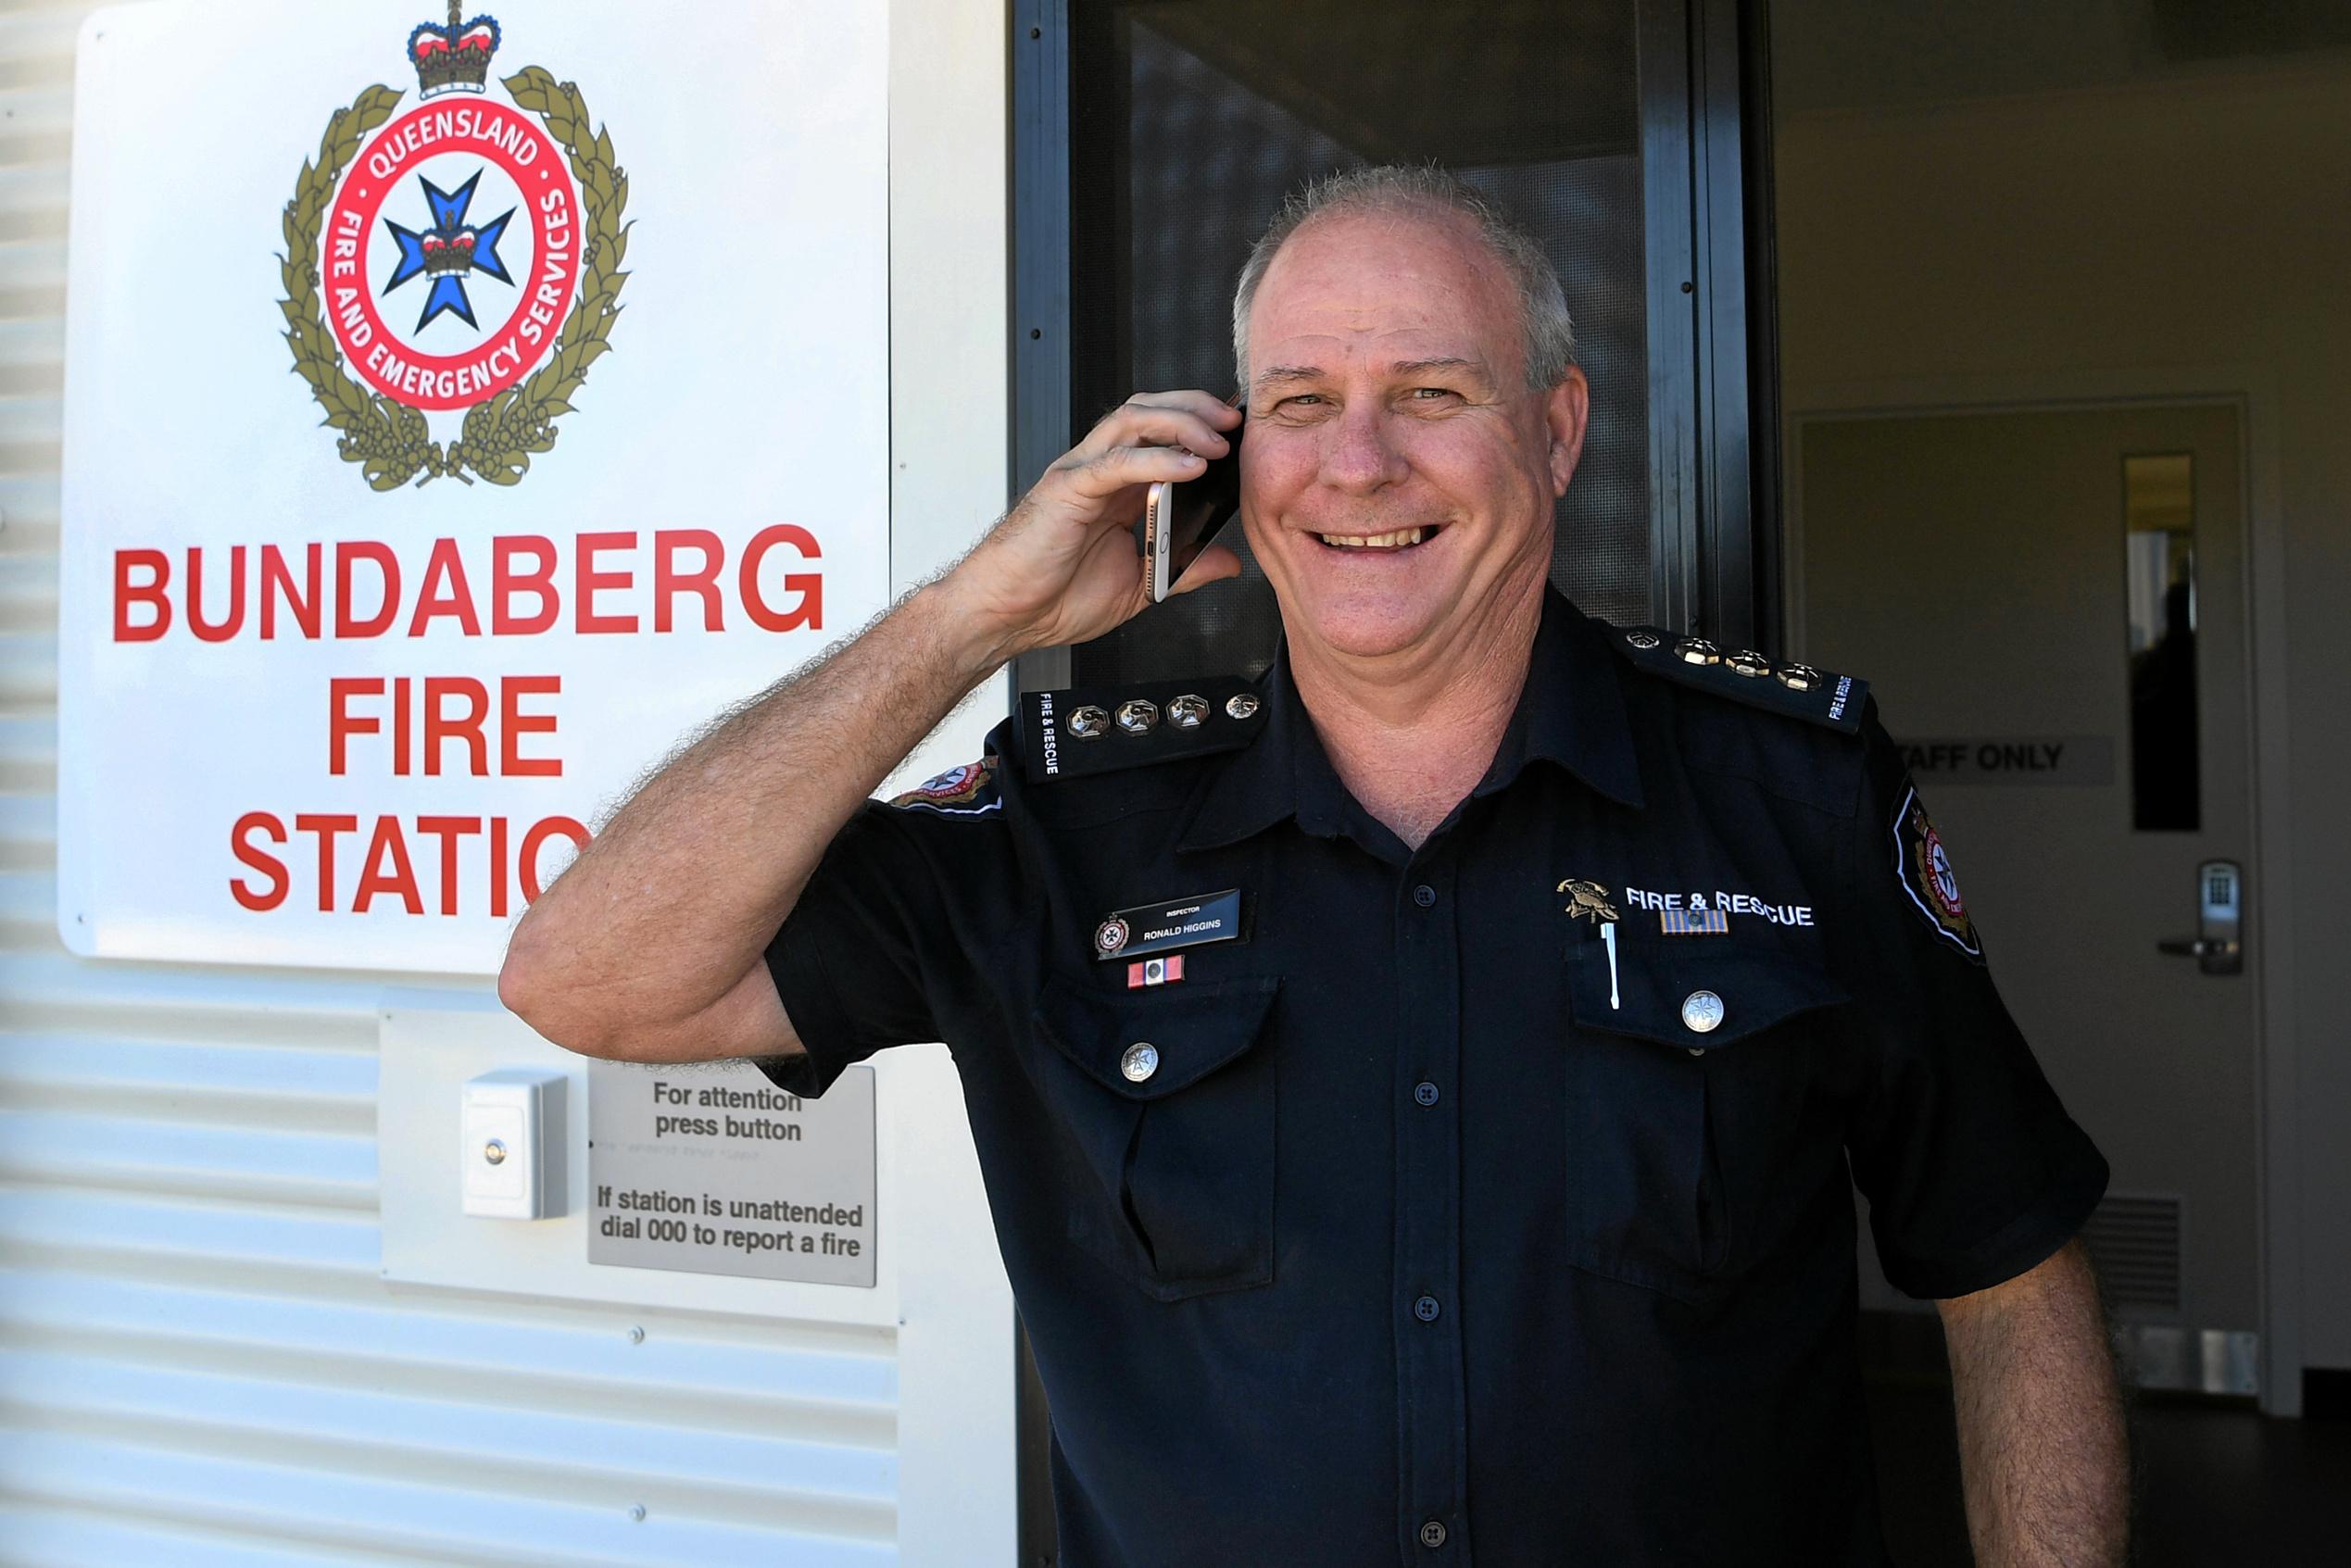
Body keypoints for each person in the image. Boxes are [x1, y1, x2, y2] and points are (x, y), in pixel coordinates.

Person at [500, 165, 2127, 1566]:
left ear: (1554, 432)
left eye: (1430, 391)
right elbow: (589, 976)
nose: (1357, 464)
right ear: (1227, 463)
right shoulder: (1065, 829)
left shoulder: (1790, 790)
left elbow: (2004, 1261)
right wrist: (968, 619)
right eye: (1297, 405)